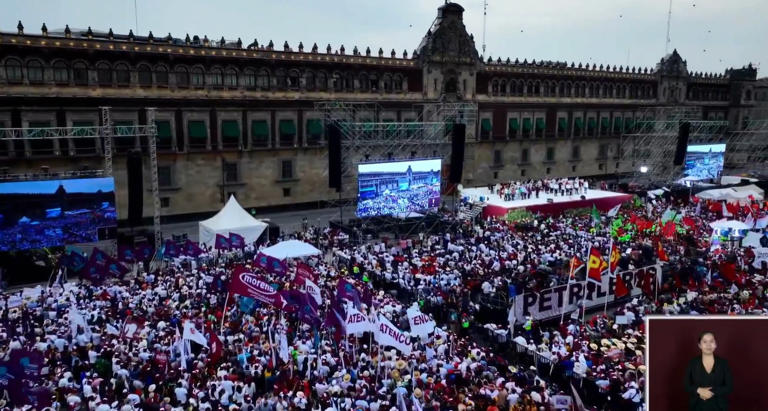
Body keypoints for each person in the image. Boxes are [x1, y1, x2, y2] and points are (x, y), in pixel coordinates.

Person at [684, 331, 733, 411]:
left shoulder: (723, 363)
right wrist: (699, 390)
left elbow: (729, 387)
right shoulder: (692, 363)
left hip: (719, 407)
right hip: (697, 406)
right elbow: (686, 385)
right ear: (699, 345)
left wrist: (710, 392)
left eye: (711, 341)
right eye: (705, 341)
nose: (708, 345)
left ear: (716, 344)